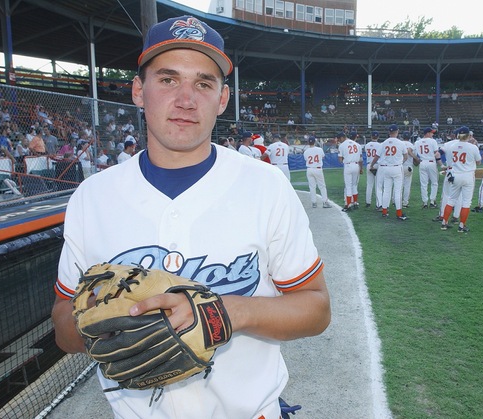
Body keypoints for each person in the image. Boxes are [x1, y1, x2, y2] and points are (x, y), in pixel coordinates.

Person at [51, 15, 330, 419]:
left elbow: (316, 308)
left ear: (222, 99)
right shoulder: (91, 197)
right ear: (138, 91)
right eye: (167, 80)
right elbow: (62, 322)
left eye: (203, 83)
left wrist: (229, 312)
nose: (186, 99)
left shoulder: (266, 185)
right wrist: (100, 321)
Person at [439, 126, 482, 233]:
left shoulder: (452, 146)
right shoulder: (473, 147)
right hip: (467, 175)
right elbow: (478, 162)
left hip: (456, 174)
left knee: (451, 199)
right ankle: (462, 226)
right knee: (466, 202)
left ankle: (444, 222)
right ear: (468, 135)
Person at [369, 124, 408, 220]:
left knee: (387, 190)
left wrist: (371, 165)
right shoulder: (401, 143)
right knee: (398, 191)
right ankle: (399, 213)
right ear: (397, 131)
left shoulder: (383, 143)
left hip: (386, 168)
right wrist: (400, 162)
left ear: (389, 132)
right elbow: (406, 156)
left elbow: (377, 156)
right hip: (397, 167)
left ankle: (385, 211)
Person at [414, 127, 440, 209]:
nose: (432, 134)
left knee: (424, 184)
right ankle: (432, 201)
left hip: (422, 162)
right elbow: (436, 153)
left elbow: (412, 151)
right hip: (431, 162)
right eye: (431, 133)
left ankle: (425, 202)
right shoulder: (432, 141)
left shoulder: (417, 142)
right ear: (427, 133)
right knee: (434, 182)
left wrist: (417, 159)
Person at [303, 136, 331, 208]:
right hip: (317, 169)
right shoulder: (319, 149)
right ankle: (325, 202)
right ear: (314, 142)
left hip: (309, 169)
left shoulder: (306, 151)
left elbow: (306, 159)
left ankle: (314, 203)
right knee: (322, 186)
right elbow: (323, 157)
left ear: (308, 142)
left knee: (312, 187)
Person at [338, 131, 363, 211]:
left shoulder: (342, 145)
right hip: (356, 165)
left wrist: (345, 160)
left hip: (348, 165)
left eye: (339, 139)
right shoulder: (357, 145)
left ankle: (348, 204)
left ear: (342, 137)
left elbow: (340, 159)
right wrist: (361, 168)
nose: (339, 140)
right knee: (354, 185)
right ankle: (355, 202)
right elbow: (360, 158)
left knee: (348, 186)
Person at [400, 131, 417, 208]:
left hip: (399, 166)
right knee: (407, 185)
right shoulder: (411, 145)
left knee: (398, 185)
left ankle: (395, 200)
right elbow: (412, 154)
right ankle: (405, 202)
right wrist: (417, 160)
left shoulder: (399, 143)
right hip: (408, 166)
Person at [364, 131, 381, 208]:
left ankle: (368, 202)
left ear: (371, 137)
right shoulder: (380, 145)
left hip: (369, 164)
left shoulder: (367, 145)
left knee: (369, 184)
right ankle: (378, 203)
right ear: (378, 137)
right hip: (377, 164)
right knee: (378, 185)